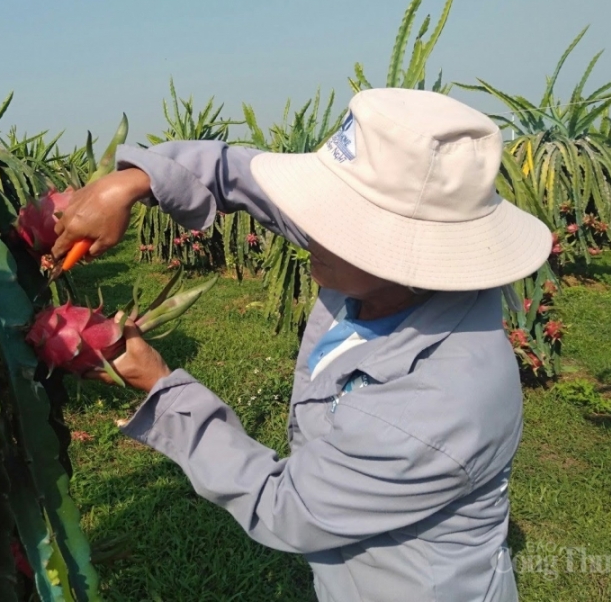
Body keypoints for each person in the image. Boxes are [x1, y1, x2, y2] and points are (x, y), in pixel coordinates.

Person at [52, 88, 552, 602]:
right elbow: (239, 174)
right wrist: (135, 181)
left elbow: (286, 507)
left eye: (335, 220)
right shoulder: (378, 270)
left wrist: (162, 387)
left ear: (402, 251)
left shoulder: (441, 404)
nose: (308, 227)